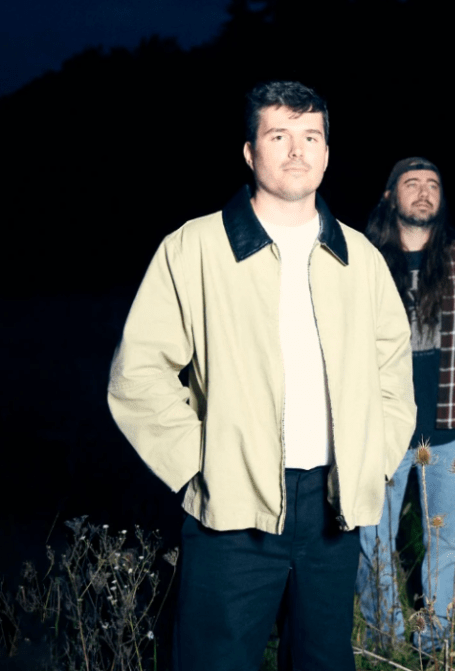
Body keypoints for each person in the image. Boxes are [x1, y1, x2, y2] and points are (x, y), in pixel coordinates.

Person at [107, 81, 416, 671]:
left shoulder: (359, 258)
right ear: (250, 152)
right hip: (230, 514)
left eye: (310, 137)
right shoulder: (193, 248)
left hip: (331, 509)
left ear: (327, 153)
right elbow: (138, 374)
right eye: (279, 136)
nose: (297, 150)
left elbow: (392, 373)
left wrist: (369, 461)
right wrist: (201, 462)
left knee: (323, 662)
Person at [356, 157, 455, 652]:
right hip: (381, 432)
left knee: (446, 545)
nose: (423, 192)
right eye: (411, 184)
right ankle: (387, 638)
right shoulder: (364, 260)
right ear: (389, 196)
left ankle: (435, 641)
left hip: (449, 433)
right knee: (372, 541)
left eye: (432, 185)